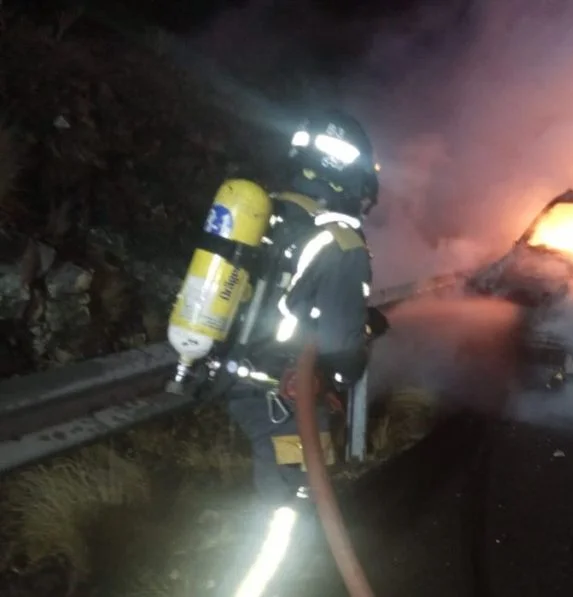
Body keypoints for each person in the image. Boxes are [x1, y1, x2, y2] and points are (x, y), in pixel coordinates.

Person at [220, 109, 382, 596]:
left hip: (236, 378)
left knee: (267, 506)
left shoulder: (270, 212)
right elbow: (341, 351)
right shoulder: (341, 242)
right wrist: (359, 348)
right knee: (284, 523)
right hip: (284, 400)